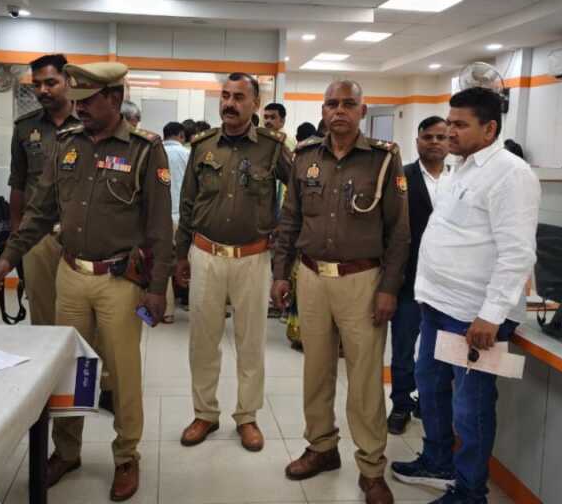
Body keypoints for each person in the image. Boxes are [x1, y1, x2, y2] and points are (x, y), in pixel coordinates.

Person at [0, 61, 173, 501]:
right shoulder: (67, 144)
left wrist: (157, 288)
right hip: (70, 275)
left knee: (122, 374)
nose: (79, 108)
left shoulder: (145, 150)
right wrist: (8, 257)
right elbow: (40, 212)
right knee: (71, 370)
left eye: (88, 101)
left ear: (115, 99)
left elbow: (160, 227)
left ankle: (126, 456)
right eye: (78, 100)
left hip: (119, 281)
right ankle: (67, 451)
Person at [391, 87, 540, 504]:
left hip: (473, 316)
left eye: (460, 125)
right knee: (430, 386)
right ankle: (437, 460)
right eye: (449, 122)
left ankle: (471, 490)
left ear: (489, 129)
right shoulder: (461, 168)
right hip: (439, 306)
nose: (450, 132)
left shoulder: (511, 174)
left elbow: (517, 253)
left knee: (470, 407)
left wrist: (491, 315)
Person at [272, 80, 410, 504]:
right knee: (316, 371)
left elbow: (399, 232)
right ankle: (321, 447)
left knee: (365, 380)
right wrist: (280, 273)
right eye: (332, 103)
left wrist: (389, 288)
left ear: (362, 111)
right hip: (311, 277)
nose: (339, 111)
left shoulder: (384, 159)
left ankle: (371, 468)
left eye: (349, 104)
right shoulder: (304, 156)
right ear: (323, 110)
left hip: (362, 281)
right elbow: (290, 219)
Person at [175, 72, 292, 452]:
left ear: (255, 103)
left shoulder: (272, 148)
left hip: (253, 258)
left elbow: (299, 197)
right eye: (225, 95)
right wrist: (179, 255)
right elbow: (187, 203)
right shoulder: (203, 146)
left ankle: (247, 416)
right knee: (203, 341)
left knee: (251, 343)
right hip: (205, 254)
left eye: (239, 97)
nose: (230, 103)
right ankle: (204, 413)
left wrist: (283, 244)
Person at [388, 116, 449, 435]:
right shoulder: (402, 177)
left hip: (447, 284)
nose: (435, 142)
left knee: (437, 349)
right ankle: (400, 404)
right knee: (403, 347)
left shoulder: (459, 180)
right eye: (428, 137)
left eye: (441, 137)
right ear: (418, 141)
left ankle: (428, 402)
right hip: (409, 279)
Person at [10, 54, 77, 330]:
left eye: (51, 83)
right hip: (38, 235)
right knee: (43, 312)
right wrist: (17, 234)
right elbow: (17, 183)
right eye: (37, 84)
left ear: (68, 81)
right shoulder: (25, 127)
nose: (43, 90)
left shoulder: (89, 123)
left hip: (80, 233)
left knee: (81, 313)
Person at [162, 121, 191, 323]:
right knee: (189, 263)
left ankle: (167, 311)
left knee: (162, 262)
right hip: (183, 217)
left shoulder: (156, 152)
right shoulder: (187, 154)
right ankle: (195, 305)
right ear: (181, 135)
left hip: (161, 216)